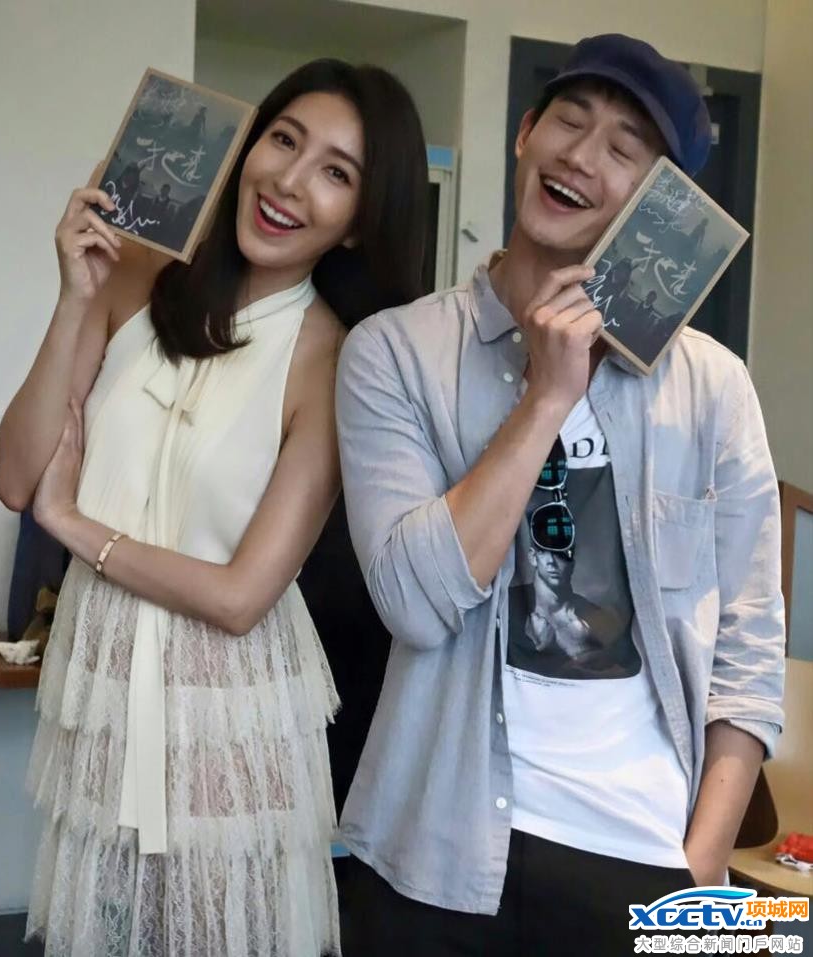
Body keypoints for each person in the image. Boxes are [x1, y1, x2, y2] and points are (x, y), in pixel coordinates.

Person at [335, 34, 785, 956]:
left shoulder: (713, 387)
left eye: (623, 149)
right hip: (433, 844)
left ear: (657, 202)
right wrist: (545, 397)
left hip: (647, 856)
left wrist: (699, 864)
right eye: (568, 123)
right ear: (525, 134)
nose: (581, 156)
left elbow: (750, 643)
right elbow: (413, 602)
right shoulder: (395, 353)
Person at [0, 58, 427, 957]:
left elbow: (240, 597)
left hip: (229, 719)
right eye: (283, 140)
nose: (290, 181)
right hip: (102, 690)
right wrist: (74, 298)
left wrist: (74, 526)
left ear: (358, 220)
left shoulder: (333, 358)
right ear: (246, 144)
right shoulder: (132, 274)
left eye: (336, 172)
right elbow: (17, 476)